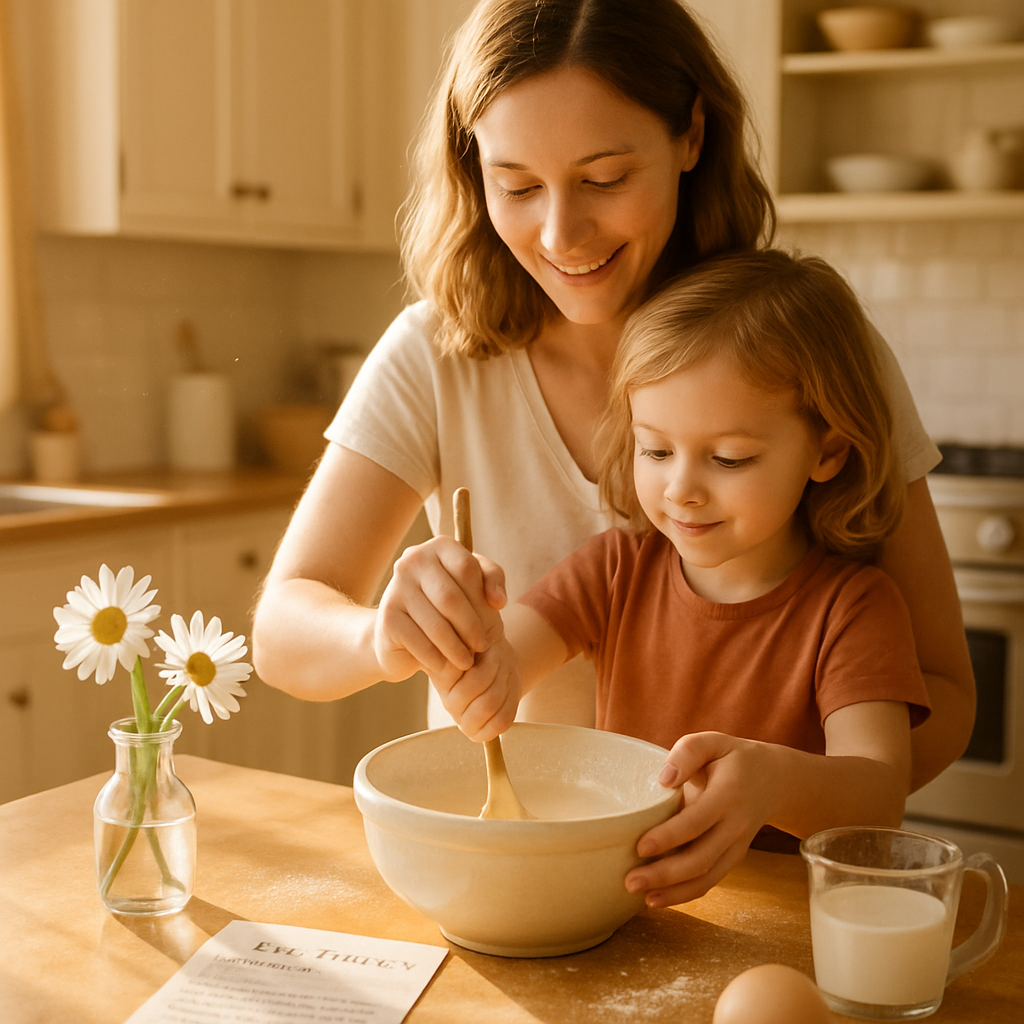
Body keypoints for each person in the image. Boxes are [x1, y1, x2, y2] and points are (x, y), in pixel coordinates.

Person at [252, 0, 973, 796]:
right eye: (517, 185)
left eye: (605, 178)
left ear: (692, 134)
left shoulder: (811, 349)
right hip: (504, 866)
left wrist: (776, 790)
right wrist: (382, 637)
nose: (562, 234)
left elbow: (943, 691)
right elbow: (284, 631)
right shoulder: (436, 352)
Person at [434, 249, 932, 905]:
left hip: (777, 921)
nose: (681, 490)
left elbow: (878, 797)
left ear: (827, 449)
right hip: (620, 898)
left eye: (728, 458)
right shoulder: (613, 569)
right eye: (656, 450)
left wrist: (772, 783)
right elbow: (505, 658)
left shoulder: (855, 609)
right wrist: (469, 642)